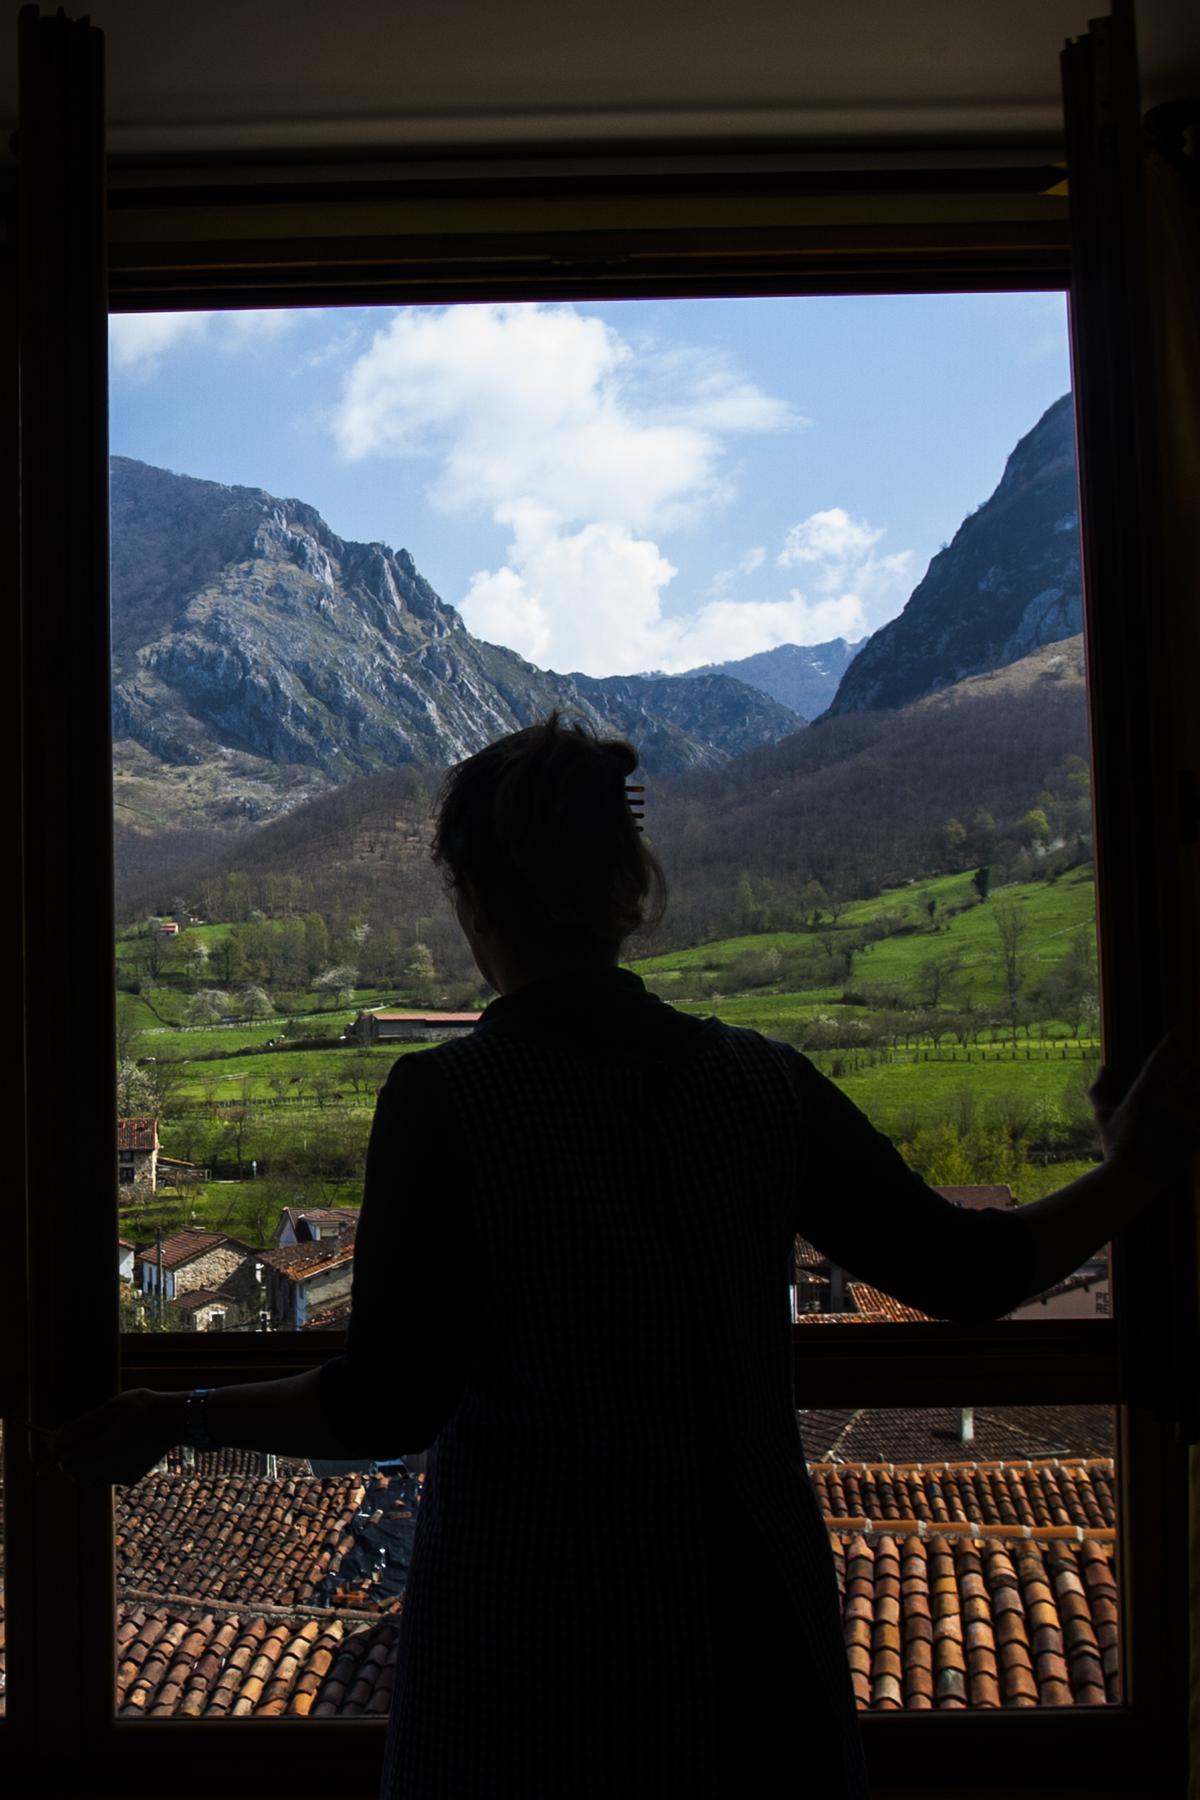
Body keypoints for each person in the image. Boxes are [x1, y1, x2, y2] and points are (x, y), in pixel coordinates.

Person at [57, 714, 1197, 1798]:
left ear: (472, 899)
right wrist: (1133, 1172)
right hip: (748, 1639)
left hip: (528, 1645)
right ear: (628, 890)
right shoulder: (761, 1086)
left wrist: (180, 1415)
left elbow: (387, 1405)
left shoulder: (451, 1100)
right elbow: (971, 1273)